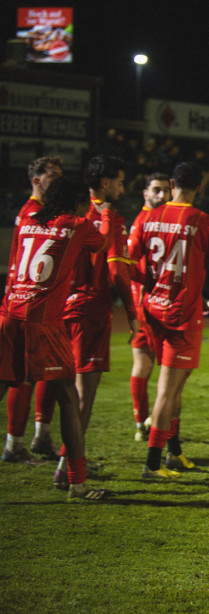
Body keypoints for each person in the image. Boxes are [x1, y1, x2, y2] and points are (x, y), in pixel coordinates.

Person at [0, 176, 114, 500]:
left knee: (4, 385)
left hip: (9, 314)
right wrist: (105, 212)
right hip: (43, 321)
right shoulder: (77, 225)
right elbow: (103, 242)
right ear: (78, 202)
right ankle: (77, 483)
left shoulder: (28, 221)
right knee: (68, 398)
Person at [128, 162, 209, 479]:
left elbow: (128, 264)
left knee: (176, 385)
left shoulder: (148, 217)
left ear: (172, 184)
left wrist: (148, 288)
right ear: (200, 187)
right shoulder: (202, 222)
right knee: (168, 389)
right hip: (181, 316)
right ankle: (153, 463)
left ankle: (174, 450)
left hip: (152, 311)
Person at [52, 155, 139, 488]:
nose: (122, 188)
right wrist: (132, 313)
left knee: (57, 385)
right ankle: (68, 467)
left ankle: (45, 444)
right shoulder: (108, 217)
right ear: (105, 183)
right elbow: (117, 271)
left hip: (59, 309)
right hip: (90, 311)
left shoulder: (67, 212)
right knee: (83, 394)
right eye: (119, 182)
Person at [2, 156, 63, 464]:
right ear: (37, 180)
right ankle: (14, 444)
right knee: (22, 376)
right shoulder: (35, 213)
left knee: (46, 372)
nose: (58, 181)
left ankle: (40, 435)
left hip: (31, 304)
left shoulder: (32, 212)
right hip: (29, 306)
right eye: (52, 176)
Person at [128, 172, 171, 441]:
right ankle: (164, 430)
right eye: (156, 190)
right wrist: (147, 284)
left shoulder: (157, 218)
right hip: (152, 304)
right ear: (145, 193)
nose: (162, 195)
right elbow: (129, 263)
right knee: (170, 368)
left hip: (145, 302)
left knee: (142, 364)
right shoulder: (146, 220)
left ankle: (142, 424)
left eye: (166, 190)